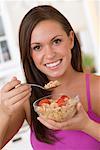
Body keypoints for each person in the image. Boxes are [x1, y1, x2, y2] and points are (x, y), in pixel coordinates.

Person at [0, 5, 100, 150]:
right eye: (37, 47)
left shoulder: (96, 87)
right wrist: (3, 112)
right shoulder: (28, 99)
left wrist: (86, 125)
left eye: (56, 41)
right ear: (29, 54)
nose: (50, 54)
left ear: (71, 39)